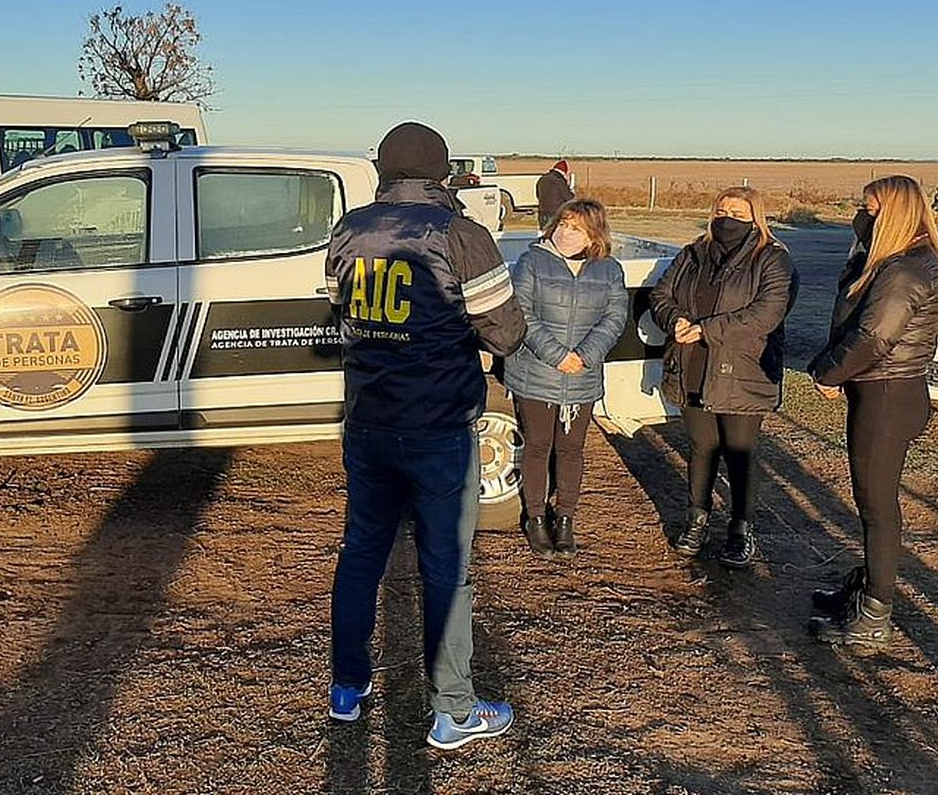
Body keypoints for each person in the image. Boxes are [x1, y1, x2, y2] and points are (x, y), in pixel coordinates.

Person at [324, 121, 525, 750]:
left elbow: (338, 307)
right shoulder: (463, 234)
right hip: (438, 424)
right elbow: (505, 331)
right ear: (442, 172)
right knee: (447, 566)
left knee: (361, 552)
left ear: (384, 168)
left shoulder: (349, 228)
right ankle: (453, 709)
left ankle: (347, 687)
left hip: (368, 418)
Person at [806, 175, 938, 654]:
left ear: (892, 213)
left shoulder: (906, 270)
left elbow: (874, 338)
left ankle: (875, 612)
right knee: (872, 504)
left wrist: (827, 373)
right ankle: (865, 588)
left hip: (887, 396)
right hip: (883, 391)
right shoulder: (894, 261)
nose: (859, 213)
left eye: (868, 207)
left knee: (878, 509)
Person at [649, 187, 797, 567]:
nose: (726, 216)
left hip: (742, 371)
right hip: (692, 366)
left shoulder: (772, 258)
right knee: (701, 449)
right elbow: (661, 295)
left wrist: (707, 330)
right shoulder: (693, 253)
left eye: (737, 211)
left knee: (740, 454)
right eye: (721, 209)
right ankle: (697, 518)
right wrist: (676, 321)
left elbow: (766, 315)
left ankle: (741, 529)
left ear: (755, 217)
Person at [505, 186, 628, 556]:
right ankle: (536, 518)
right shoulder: (533, 261)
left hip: (582, 376)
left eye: (576, 228)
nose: (565, 232)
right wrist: (557, 355)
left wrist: (585, 357)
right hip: (536, 372)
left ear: (594, 234)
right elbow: (522, 314)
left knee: (572, 449)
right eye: (563, 224)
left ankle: (566, 519)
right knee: (539, 446)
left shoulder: (609, 270)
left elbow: (614, 317)